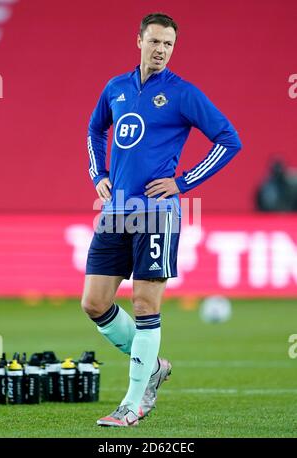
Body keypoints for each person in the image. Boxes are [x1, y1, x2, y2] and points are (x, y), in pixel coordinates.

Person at [82, 12, 242, 427]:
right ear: (138, 40)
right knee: (94, 303)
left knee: (143, 303)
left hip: (157, 213)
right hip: (116, 211)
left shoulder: (183, 94)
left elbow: (229, 140)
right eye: (154, 41)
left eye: (168, 44)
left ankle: (133, 404)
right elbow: (94, 129)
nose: (161, 50)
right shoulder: (115, 88)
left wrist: (183, 181)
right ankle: (152, 365)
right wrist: (98, 173)